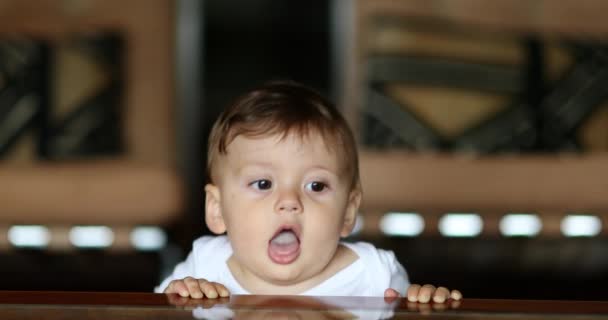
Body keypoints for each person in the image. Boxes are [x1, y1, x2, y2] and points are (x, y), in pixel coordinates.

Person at [156, 81, 462, 303]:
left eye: (316, 186)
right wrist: (177, 300)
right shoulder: (205, 265)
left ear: (348, 212)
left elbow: (406, 308)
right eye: (263, 184)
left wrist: (423, 301)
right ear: (216, 209)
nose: (289, 202)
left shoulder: (374, 275)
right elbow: (150, 309)